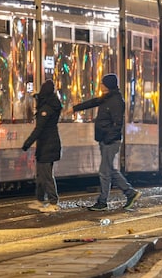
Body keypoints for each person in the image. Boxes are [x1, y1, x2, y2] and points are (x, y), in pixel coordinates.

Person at [70, 73, 141, 211]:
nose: (101, 86)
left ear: (108, 85)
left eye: (102, 84)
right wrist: (74, 109)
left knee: (104, 172)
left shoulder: (115, 101)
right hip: (105, 139)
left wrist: (109, 138)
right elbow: (93, 102)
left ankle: (103, 201)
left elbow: (117, 123)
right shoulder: (107, 98)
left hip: (110, 141)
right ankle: (130, 193)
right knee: (109, 170)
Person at [22, 79, 62, 213]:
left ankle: (53, 201)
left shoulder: (46, 109)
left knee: (46, 175)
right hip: (46, 144)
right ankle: (39, 199)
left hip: (47, 145)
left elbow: (39, 129)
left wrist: (27, 143)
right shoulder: (50, 104)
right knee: (41, 175)